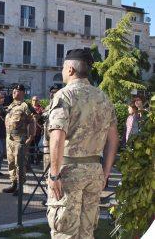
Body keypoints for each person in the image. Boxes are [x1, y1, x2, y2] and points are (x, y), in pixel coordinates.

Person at [46, 49, 118, 238]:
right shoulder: (103, 97)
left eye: (63, 68)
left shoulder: (64, 95)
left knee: (64, 232)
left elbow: (57, 137)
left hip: (69, 172)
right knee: (86, 231)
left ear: (70, 69)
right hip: (95, 171)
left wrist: (54, 175)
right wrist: (105, 172)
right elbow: (113, 139)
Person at [2, 84, 35, 196]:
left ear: (22, 93)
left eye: (16, 91)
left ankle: (20, 187)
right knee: (10, 162)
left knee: (19, 163)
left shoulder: (25, 106)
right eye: (13, 91)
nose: (13, 92)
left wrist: (31, 136)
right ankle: (13, 183)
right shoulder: (11, 105)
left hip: (19, 139)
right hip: (9, 138)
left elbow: (33, 120)